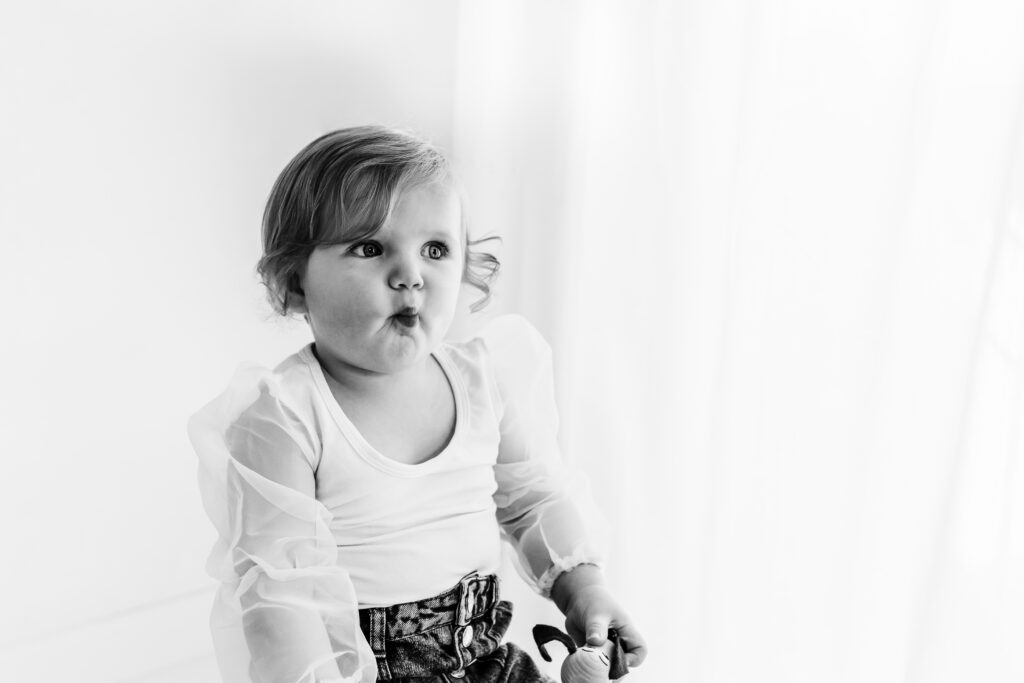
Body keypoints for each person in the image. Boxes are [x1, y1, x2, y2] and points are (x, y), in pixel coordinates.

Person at [188, 126, 647, 683]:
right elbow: (284, 599)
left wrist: (584, 590)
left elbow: (533, 501)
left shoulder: (484, 382)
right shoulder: (285, 418)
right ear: (295, 282)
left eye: (435, 250)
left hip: (487, 661)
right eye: (370, 248)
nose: (410, 276)